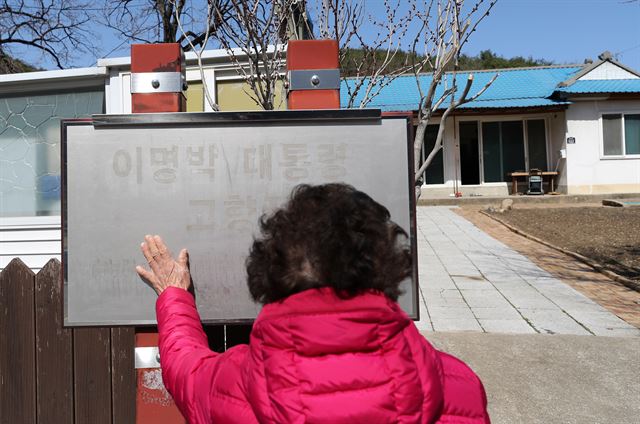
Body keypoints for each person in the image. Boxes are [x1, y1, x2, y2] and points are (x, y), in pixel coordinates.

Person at [136, 183, 490, 424]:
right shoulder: (460, 386)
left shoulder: (235, 385)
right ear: (388, 269)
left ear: (269, 274)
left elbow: (186, 368)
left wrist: (174, 293)